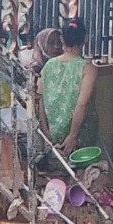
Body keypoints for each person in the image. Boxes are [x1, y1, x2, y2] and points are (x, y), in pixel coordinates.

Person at [38, 21, 97, 152]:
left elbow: (39, 99)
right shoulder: (88, 68)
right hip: (80, 134)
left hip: (53, 134)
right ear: (85, 39)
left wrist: (46, 131)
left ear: (62, 39)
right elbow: (82, 104)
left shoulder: (48, 66)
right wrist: (73, 136)